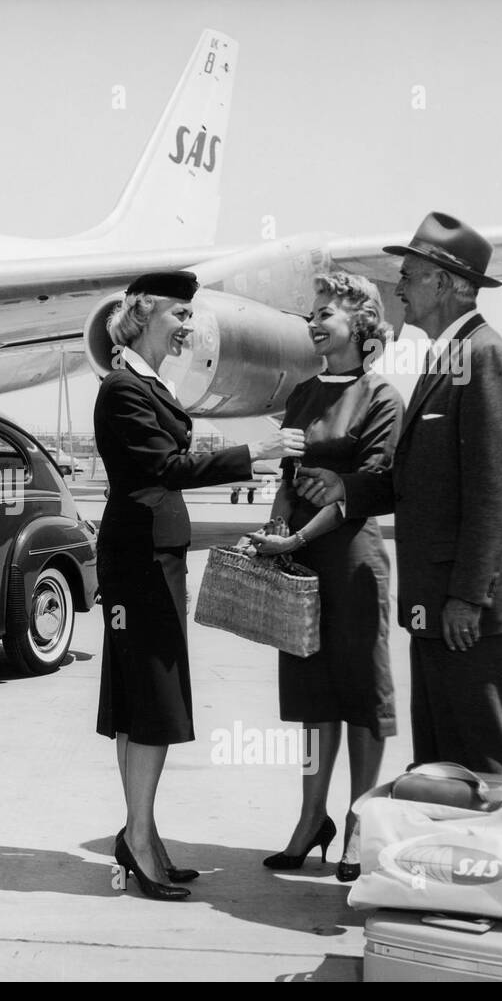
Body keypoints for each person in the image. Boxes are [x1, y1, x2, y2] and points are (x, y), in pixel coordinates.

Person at [297, 212, 502, 775]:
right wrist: (347, 487)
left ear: (446, 283)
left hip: (473, 616)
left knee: (483, 776)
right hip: (438, 610)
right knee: (441, 773)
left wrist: (468, 598)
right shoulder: (446, 359)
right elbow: (416, 481)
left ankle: (488, 864)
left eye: (408, 275)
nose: (399, 287)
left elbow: (497, 495)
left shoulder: (488, 359)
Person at [94, 272, 304, 900]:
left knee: (140, 702)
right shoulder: (124, 388)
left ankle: (142, 835)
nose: (189, 325)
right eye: (180, 314)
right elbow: (164, 468)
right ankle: (138, 842)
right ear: (145, 314)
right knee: (151, 703)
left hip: (152, 558)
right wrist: (253, 452)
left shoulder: (148, 383)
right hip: (140, 564)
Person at [247, 273, 403, 882]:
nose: (313, 322)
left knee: (362, 698)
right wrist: (271, 527)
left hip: (353, 563)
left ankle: (359, 823)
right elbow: (290, 479)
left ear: (362, 329)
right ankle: (312, 819)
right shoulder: (303, 393)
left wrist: (297, 536)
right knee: (315, 700)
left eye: (326, 314)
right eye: (312, 313)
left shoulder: (382, 396)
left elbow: (363, 490)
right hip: (304, 561)